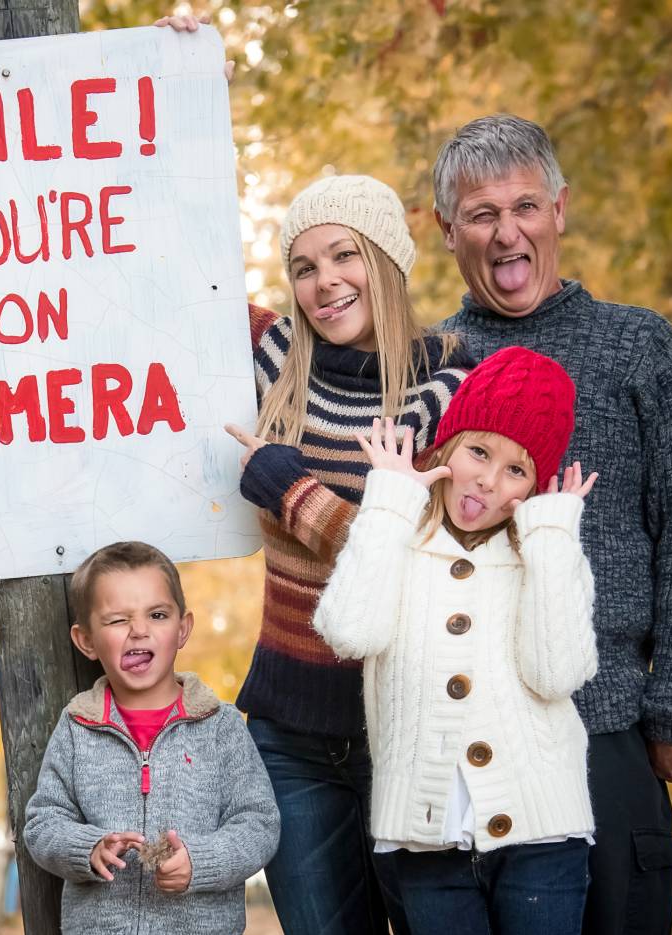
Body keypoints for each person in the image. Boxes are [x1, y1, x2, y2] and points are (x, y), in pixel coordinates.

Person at [431, 114, 672, 935]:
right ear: (448, 230)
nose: (507, 233)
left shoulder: (639, 347)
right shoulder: (432, 365)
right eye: (482, 214)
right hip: (463, 749)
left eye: (524, 206)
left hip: (607, 730)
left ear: (559, 209)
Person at [223, 174, 472, 933]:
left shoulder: (449, 384)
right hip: (287, 734)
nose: (324, 281)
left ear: (386, 259)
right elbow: (157, 269)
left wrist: (292, 493)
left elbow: (423, 560)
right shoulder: (272, 357)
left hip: (409, 731)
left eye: (343, 255)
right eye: (303, 267)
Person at [313, 348, 599, 934]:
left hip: (542, 839)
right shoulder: (395, 537)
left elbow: (556, 675)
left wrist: (551, 535)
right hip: (427, 840)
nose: (489, 481)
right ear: (447, 446)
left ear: (535, 486)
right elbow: (349, 632)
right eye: (479, 452)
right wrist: (389, 501)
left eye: (516, 471)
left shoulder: (545, 553)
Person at [23, 541, 280, 935]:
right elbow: (44, 822)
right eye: (117, 620)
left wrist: (201, 861)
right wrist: (87, 848)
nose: (139, 631)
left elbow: (259, 824)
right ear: (86, 640)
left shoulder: (220, 726)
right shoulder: (78, 727)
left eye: (157, 615)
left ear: (182, 629)